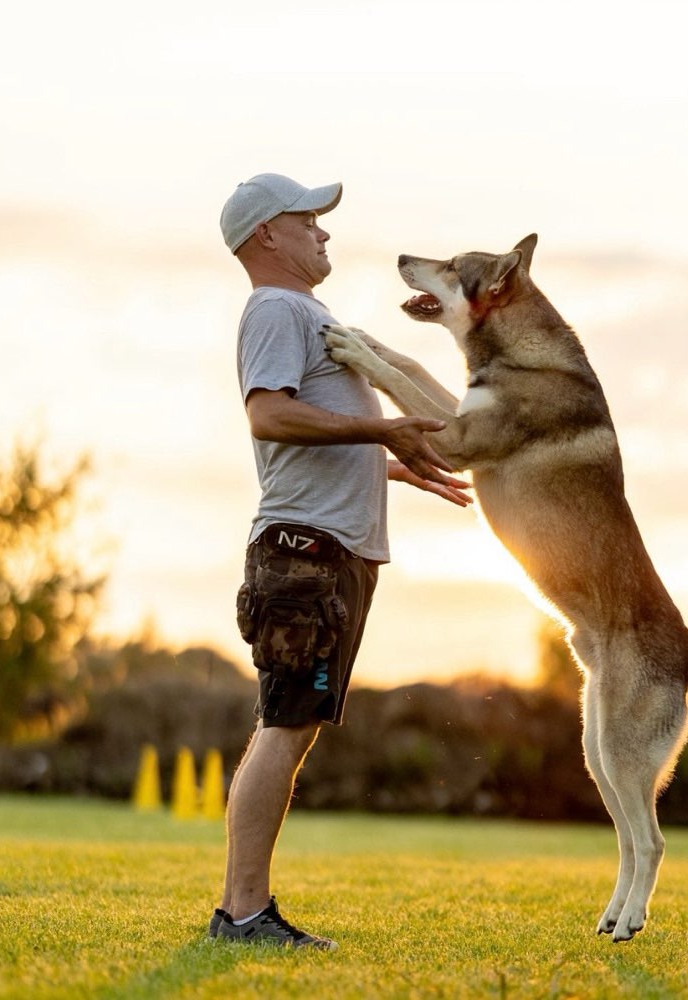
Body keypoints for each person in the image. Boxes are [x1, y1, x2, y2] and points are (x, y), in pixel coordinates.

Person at [212, 173, 471, 950]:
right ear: (268, 236)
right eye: (309, 221)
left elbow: (313, 432)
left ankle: (243, 913)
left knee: (290, 727)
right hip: (304, 554)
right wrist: (380, 434)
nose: (323, 233)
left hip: (329, 551)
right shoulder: (277, 308)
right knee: (284, 727)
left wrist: (392, 464)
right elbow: (269, 416)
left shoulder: (300, 310)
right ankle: (245, 916)